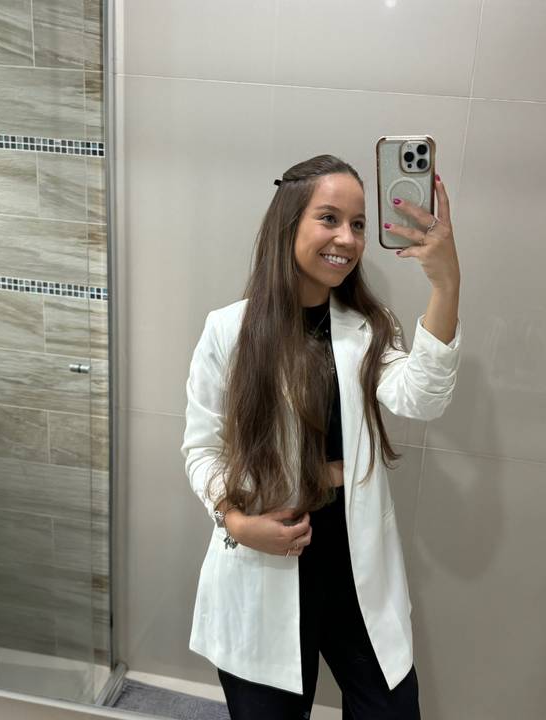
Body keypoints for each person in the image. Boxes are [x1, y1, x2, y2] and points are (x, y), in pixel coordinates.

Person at [181, 154, 462, 719]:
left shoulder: (370, 328)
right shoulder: (228, 330)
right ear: (289, 222)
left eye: (358, 224)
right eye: (329, 219)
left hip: (355, 560)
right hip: (267, 551)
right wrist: (235, 522)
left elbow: (423, 398)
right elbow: (202, 449)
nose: (347, 239)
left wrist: (446, 281)